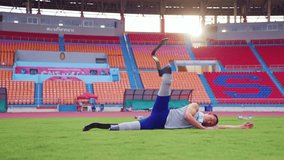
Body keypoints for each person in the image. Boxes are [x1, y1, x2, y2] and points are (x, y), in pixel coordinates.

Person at [83, 51, 254, 131]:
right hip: (163, 113)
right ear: (209, 114)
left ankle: (96, 126)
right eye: (211, 119)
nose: (210, 122)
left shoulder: (203, 124)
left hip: (158, 124)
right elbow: (187, 117)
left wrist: (240, 126)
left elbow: (221, 127)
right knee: (167, 83)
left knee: (123, 128)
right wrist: (203, 129)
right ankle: (165, 72)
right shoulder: (195, 106)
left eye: (210, 123)